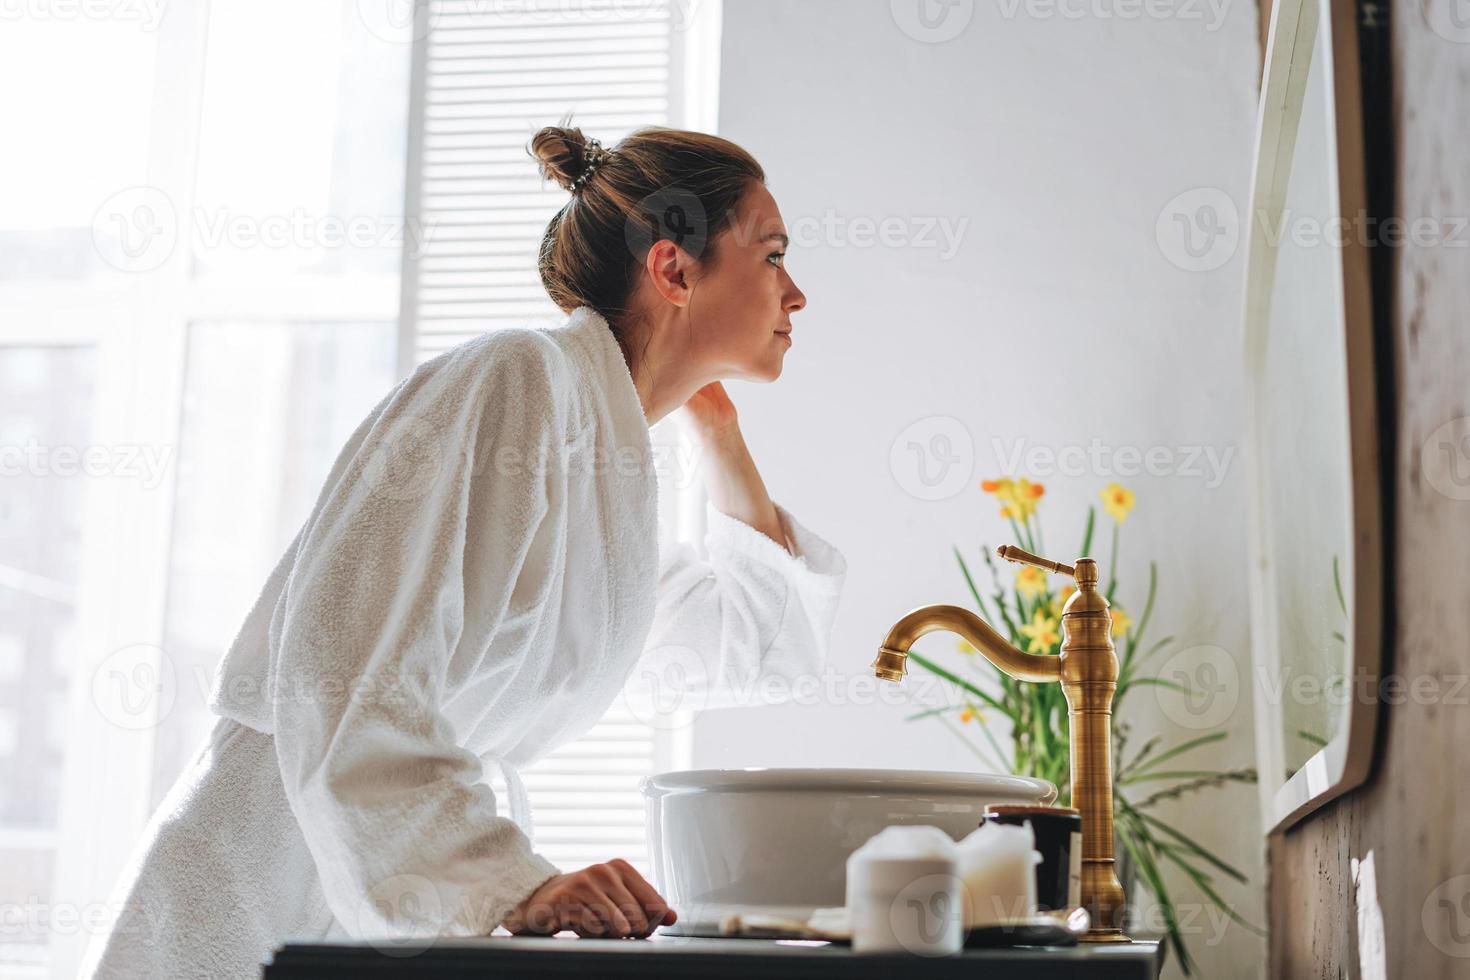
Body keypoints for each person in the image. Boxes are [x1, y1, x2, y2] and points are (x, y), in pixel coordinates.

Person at [78, 119, 846, 978]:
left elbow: (744, 651)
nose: (797, 293)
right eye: (773, 255)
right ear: (672, 268)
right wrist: (502, 882)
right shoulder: (515, 380)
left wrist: (715, 428)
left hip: (374, 904)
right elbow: (347, 672)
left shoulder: (607, 464)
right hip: (261, 889)